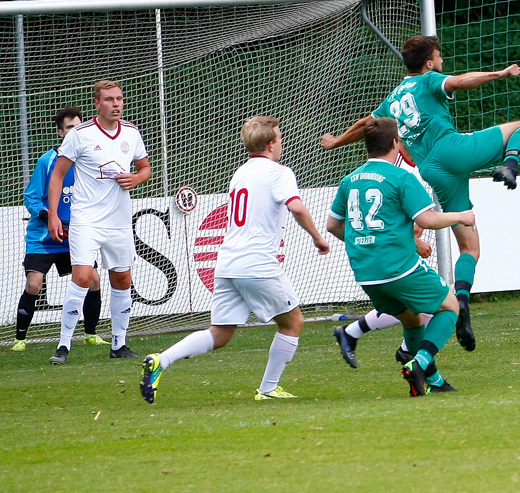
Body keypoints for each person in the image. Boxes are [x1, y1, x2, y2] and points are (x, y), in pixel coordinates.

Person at [321, 34, 520, 352]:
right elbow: (461, 81)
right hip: (453, 150)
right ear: (428, 63)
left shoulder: (393, 98)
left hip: (433, 171)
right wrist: (501, 74)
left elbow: (367, 124)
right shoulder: (428, 81)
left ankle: (461, 303)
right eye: (438, 57)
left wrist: (336, 141)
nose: (441, 62)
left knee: (470, 248)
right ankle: (510, 165)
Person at [140, 116, 331, 403]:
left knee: (220, 333)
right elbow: (297, 208)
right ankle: (268, 388)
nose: (281, 144)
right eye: (279, 139)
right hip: (257, 263)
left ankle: (160, 360)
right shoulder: (280, 172)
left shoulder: (240, 172)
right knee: (293, 323)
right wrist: (318, 237)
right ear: (270, 145)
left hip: (228, 263)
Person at [327, 118, 476, 396]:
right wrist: (461, 216)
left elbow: (333, 225)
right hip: (398, 266)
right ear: (396, 143)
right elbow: (427, 219)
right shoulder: (401, 177)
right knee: (450, 307)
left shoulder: (349, 180)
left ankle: (432, 383)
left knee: (412, 321)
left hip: (366, 272)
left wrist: (362, 242)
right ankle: (419, 362)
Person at [47, 81, 151, 364]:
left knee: (122, 278)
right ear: (97, 104)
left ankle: (119, 343)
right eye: (109, 99)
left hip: (118, 220)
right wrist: (54, 215)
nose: (116, 104)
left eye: (119, 98)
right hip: (86, 219)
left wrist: (137, 178)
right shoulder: (80, 134)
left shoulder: (131, 132)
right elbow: (57, 175)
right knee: (81, 277)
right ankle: (64, 344)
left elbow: (145, 168)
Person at [12, 107, 108, 351]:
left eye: (78, 127)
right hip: (44, 236)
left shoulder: (88, 161)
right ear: (60, 132)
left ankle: (90, 334)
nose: (74, 132)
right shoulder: (47, 161)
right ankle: (19, 339)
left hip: (74, 236)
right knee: (34, 284)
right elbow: (31, 198)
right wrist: (49, 217)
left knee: (94, 280)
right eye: (69, 128)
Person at [334, 151, 436, 369]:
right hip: (391, 258)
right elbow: (392, 218)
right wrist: (413, 243)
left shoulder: (417, 163)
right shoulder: (395, 170)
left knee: (417, 308)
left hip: (384, 257)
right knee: (440, 303)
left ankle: (354, 333)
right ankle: (411, 355)